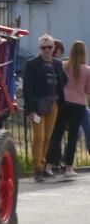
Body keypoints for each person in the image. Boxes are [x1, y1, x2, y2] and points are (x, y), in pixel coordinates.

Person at [23, 34, 68, 182]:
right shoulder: (32, 64)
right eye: (44, 47)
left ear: (54, 48)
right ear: (40, 48)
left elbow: (63, 81)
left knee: (48, 137)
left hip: (53, 104)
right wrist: (30, 110)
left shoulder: (57, 63)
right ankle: (38, 169)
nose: (47, 50)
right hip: (37, 106)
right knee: (39, 137)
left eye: (49, 47)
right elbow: (27, 89)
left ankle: (42, 164)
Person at [45, 41, 90, 178]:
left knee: (57, 135)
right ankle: (69, 168)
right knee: (72, 136)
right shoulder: (87, 69)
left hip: (63, 103)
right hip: (78, 104)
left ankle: (48, 166)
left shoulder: (63, 66)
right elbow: (88, 90)